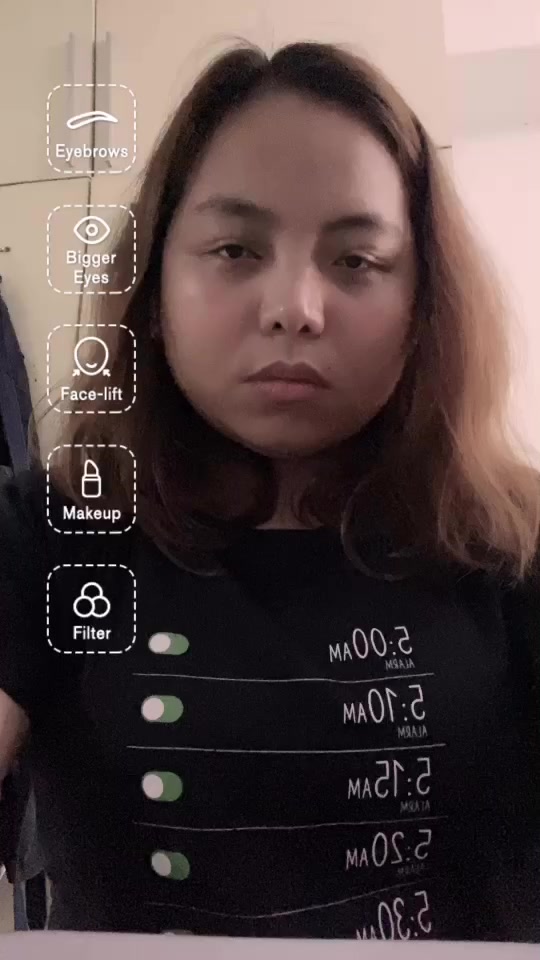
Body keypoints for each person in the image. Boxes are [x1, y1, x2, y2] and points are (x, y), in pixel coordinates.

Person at [0, 40, 539, 941]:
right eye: (235, 249)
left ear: (423, 306)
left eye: (356, 260)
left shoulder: (512, 543)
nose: (295, 307)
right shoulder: (52, 532)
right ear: (154, 289)